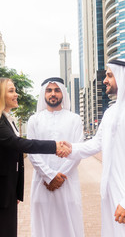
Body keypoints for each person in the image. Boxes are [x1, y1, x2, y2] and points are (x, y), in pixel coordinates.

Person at [63, 59, 125, 236]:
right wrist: (71, 149)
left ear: (124, 78)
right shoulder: (111, 112)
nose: (105, 80)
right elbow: (97, 143)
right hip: (110, 194)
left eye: (109, 75)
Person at [0, 77, 71, 237]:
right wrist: (54, 146)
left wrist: (14, 191)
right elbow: (18, 144)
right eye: (11, 91)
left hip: (4, 193)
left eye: (15, 90)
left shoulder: (6, 119)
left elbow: (12, 158)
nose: (16, 94)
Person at [27, 77, 85, 237]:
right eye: (49, 90)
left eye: (57, 90)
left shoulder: (74, 119)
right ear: (43, 94)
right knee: (43, 226)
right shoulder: (34, 120)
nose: (53, 94)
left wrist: (59, 177)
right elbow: (32, 151)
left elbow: (77, 150)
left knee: (69, 225)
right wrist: (49, 176)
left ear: (63, 93)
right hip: (41, 183)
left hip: (67, 182)